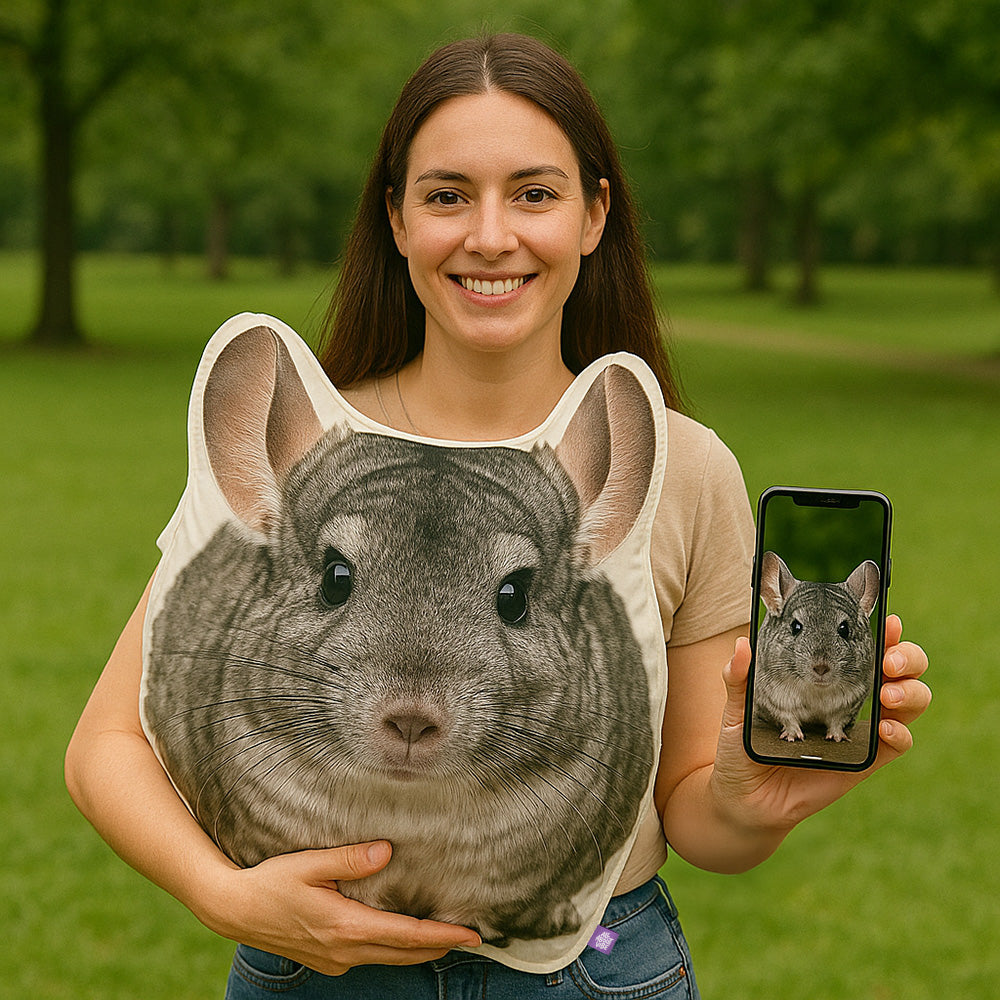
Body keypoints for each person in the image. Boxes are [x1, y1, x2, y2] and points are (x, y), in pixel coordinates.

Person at [65, 33, 931, 1000]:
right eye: (445, 196)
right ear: (395, 219)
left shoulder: (684, 467)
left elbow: (698, 822)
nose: (489, 236)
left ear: (595, 214)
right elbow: (105, 746)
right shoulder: (313, 454)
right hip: (312, 965)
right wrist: (226, 897)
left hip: (597, 963)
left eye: (534, 193)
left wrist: (755, 796)